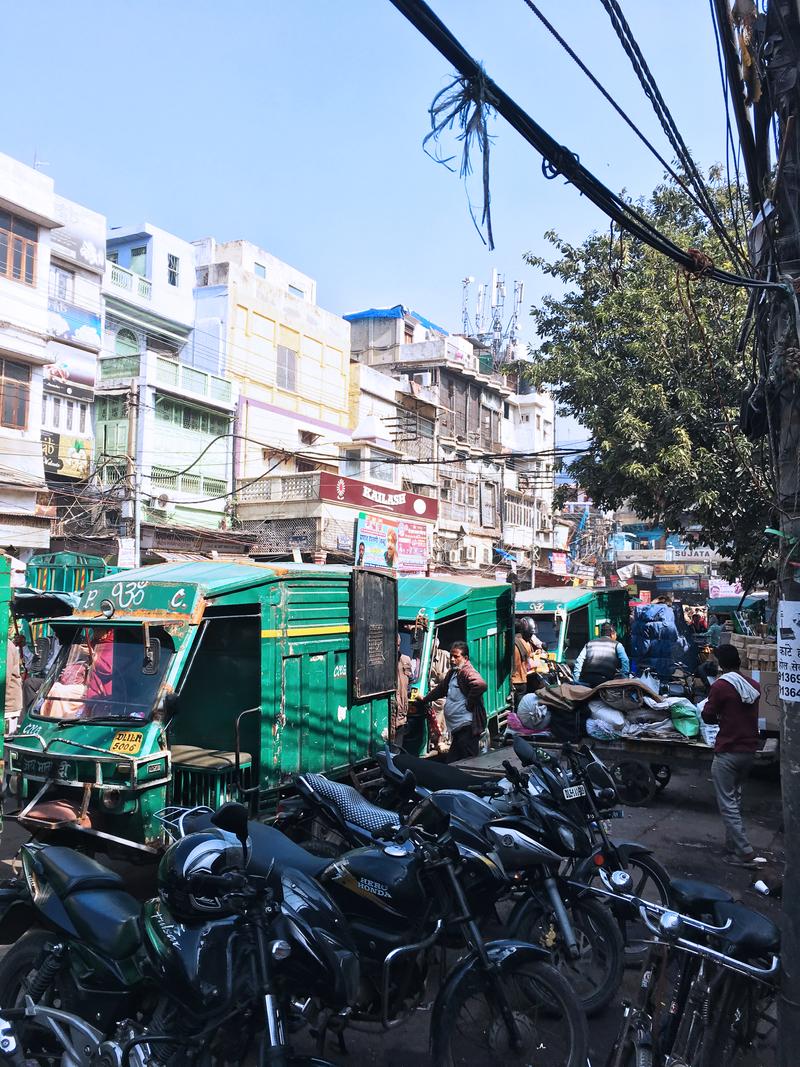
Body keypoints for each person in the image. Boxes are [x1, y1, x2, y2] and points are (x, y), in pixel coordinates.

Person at [701, 644, 766, 868]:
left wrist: (719, 717)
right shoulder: (752, 684)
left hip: (728, 750)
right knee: (735, 799)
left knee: (727, 803)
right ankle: (733, 847)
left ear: (721, 663)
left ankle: (745, 852)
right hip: (749, 750)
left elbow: (708, 715)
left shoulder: (721, 686)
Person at [415, 641, 487, 763]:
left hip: (466, 727)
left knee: (468, 762)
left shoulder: (467, 671)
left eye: (456, 657)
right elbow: (441, 689)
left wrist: (469, 703)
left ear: (465, 658)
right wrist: (425, 699)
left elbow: (480, 685)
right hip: (458, 728)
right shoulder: (453, 673)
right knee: (454, 762)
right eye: (451, 657)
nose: (452, 660)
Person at [573, 623, 630, 687]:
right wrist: (625, 679)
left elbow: (579, 660)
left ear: (601, 634)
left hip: (587, 679)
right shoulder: (617, 645)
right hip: (605, 681)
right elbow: (625, 660)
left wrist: (576, 680)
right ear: (612, 634)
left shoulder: (589, 643)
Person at [392, 635, 413, 748]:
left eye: (399, 645)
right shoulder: (383, 663)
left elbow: (410, 682)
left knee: (397, 750)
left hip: (401, 714)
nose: (397, 648)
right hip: (390, 714)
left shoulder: (406, 660)